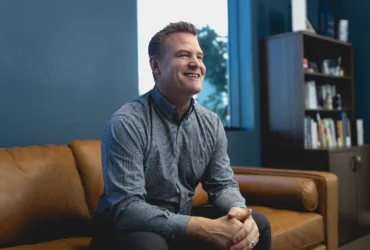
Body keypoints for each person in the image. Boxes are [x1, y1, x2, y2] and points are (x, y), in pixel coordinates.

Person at [89, 21, 271, 250]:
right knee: (149, 244)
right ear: (156, 66)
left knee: (258, 225)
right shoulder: (127, 123)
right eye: (184, 55)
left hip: (179, 222)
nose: (196, 63)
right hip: (125, 232)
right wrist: (200, 227)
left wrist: (238, 211)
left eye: (200, 57)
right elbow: (128, 209)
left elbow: (222, 185)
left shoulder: (211, 123)